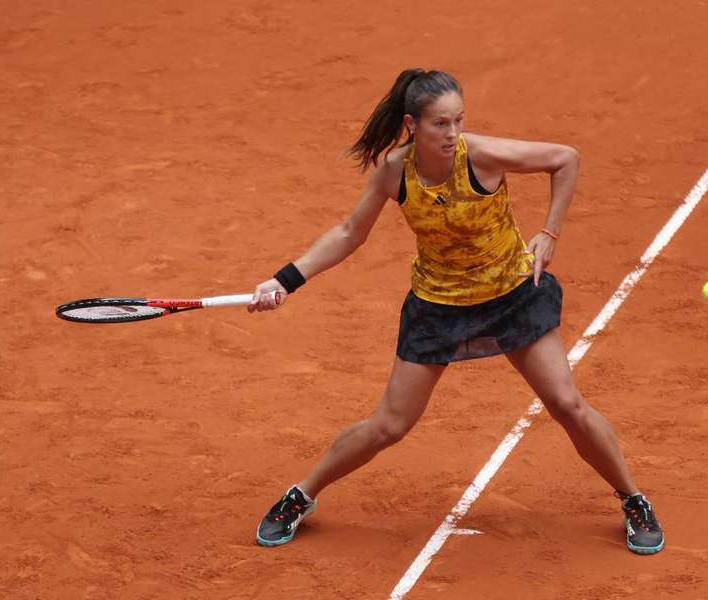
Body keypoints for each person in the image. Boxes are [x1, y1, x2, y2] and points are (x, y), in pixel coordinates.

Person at [247, 69, 664, 555]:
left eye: (458, 121)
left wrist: (549, 234)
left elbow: (565, 160)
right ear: (412, 125)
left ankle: (633, 499)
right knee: (389, 426)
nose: (451, 134)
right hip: (437, 308)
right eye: (439, 124)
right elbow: (348, 233)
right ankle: (301, 496)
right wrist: (283, 280)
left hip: (511, 296)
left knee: (567, 405)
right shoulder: (394, 171)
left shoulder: (481, 156)